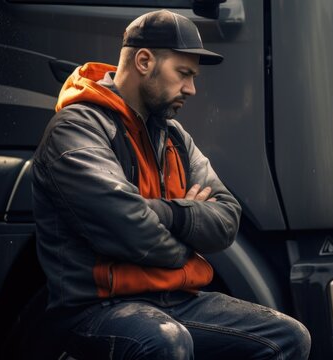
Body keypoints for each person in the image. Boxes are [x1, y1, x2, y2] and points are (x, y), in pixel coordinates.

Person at [31, 9, 311, 360]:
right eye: (184, 74)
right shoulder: (76, 129)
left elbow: (227, 218)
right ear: (145, 61)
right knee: (166, 341)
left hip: (176, 302)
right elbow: (128, 228)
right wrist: (186, 245)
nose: (192, 89)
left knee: (288, 337)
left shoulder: (174, 136)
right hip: (96, 309)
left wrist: (167, 215)